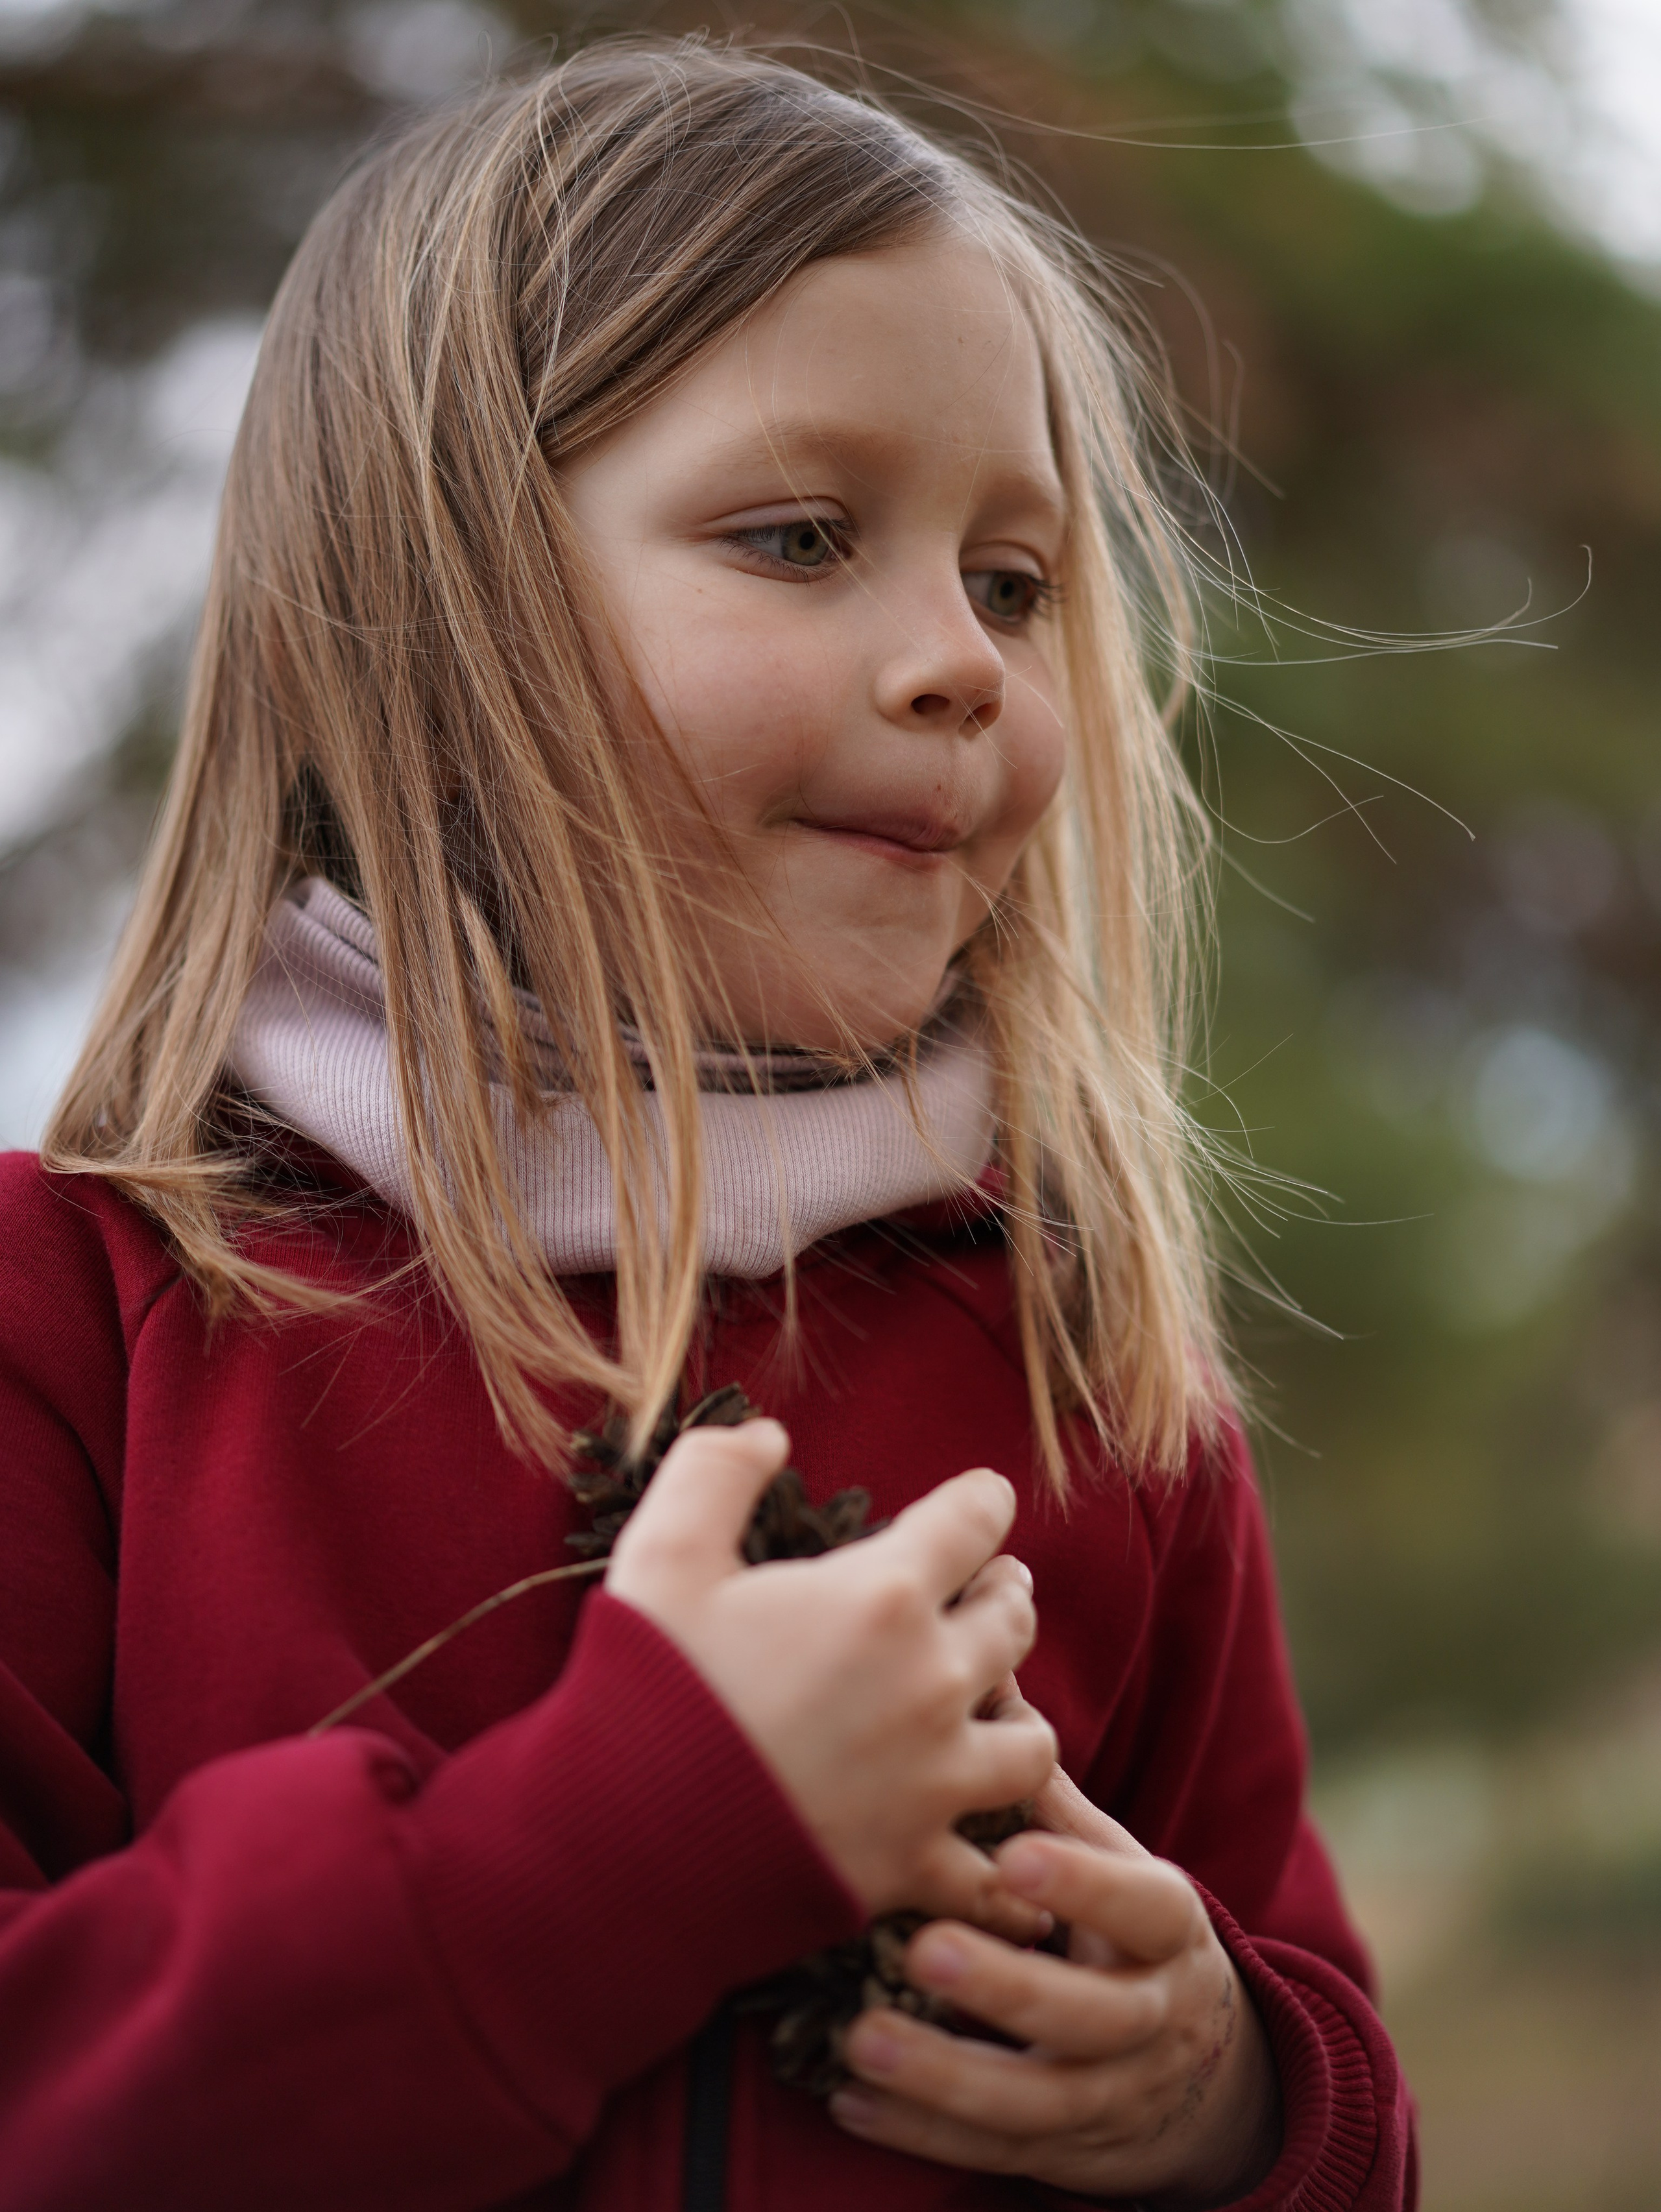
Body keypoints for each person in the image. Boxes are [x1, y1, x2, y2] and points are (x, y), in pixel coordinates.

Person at [0, 38, 1415, 2211]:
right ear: (435, 601)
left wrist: (1236, 2097)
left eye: (1014, 581)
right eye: (802, 536)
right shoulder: (76, 1319)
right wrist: (619, 1843)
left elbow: (1334, 2069)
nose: (961, 659)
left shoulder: (1099, 1376)